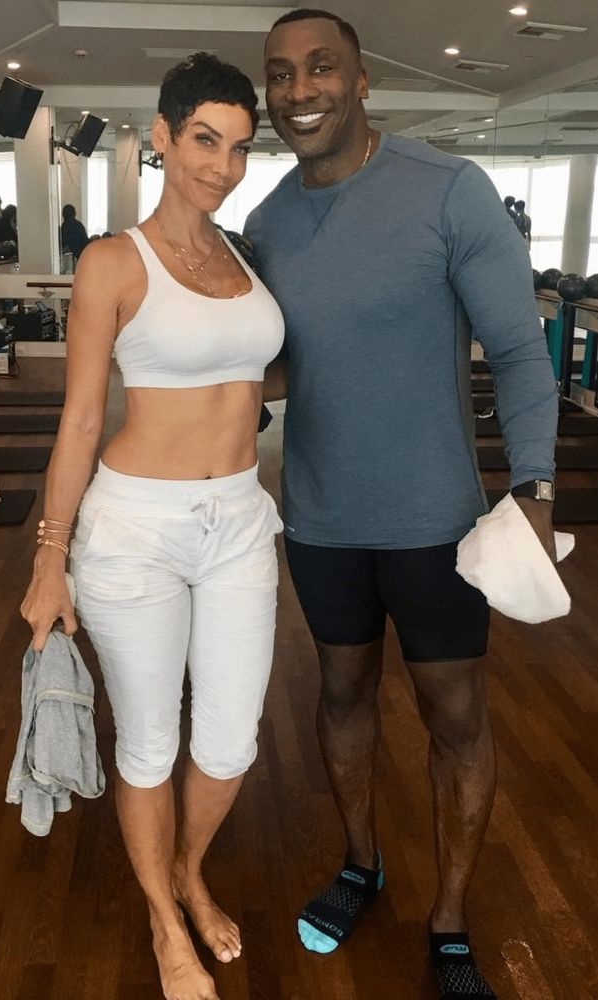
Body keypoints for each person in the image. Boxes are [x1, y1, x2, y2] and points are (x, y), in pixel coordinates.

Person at [245, 9, 558, 1000]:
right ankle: (361, 864)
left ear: (361, 79)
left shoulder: (447, 190)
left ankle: (451, 919)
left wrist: (535, 488)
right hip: (320, 520)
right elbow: (280, 366)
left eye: (320, 68)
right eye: (281, 74)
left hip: (436, 523)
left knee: (454, 717)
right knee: (340, 695)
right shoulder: (268, 224)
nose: (300, 90)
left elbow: (520, 351)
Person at [21, 53, 284, 1000]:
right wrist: (49, 560)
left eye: (240, 148)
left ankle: (188, 869)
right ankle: (165, 918)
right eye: (204, 141)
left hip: (240, 520)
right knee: (147, 745)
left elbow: (255, 374)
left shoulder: (242, 256)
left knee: (231, 742)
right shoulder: (112, 262)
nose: (221, 166)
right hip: (135, 528)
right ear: (164, 137)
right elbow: (81, 421)